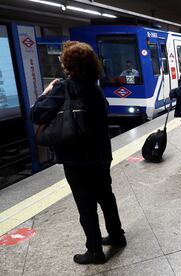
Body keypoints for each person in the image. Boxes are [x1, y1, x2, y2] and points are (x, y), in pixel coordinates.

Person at [31, 41, 125, 264]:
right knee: (105, 195)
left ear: (68, 66)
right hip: (101, 154)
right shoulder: (95, 87)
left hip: (76, 159)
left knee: (86, 204)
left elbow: (36, 115)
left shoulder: (65, 88)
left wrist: (45, 94)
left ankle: (94, 251)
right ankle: (116, 235)